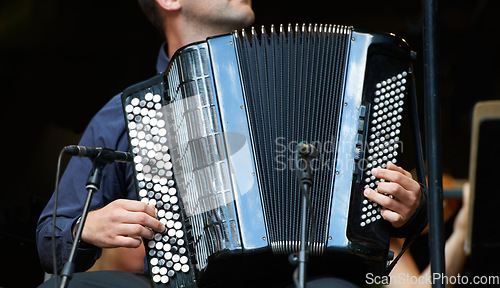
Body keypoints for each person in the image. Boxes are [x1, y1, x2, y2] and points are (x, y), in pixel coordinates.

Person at [36, 0, 427, 287]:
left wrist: (411, 208)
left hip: (313, 276)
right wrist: (87, 226)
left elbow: (388, 207)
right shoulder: (130, 112)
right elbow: (51, 234)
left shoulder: (309, 76)